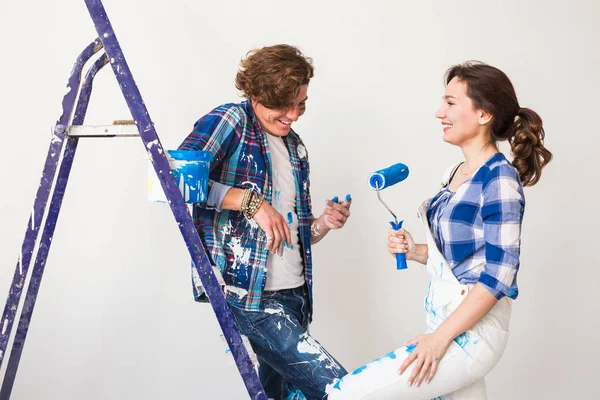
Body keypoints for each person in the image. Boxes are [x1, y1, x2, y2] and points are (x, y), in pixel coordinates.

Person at [328, 61, 552, 399]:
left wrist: (439, 338)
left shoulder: (499, 180)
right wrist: (415, 249)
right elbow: (461, 257)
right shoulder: (456, 172)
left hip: (472, 334)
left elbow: (499, 276)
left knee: (348, 394)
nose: (439, 112)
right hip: (446, 320)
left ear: (483, 114)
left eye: (450, 102)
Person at [178, 44, 351, 400]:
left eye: (301, 104)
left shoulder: (296, 148)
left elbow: (293, 233)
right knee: (341, 388)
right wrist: (250, 201)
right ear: (256, 94)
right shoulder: (231, 122)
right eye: (283, 105)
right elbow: (174, 179)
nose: (293, 115)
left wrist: (322, 224)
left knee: (282, 396)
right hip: (250, 296)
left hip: (295, 294)